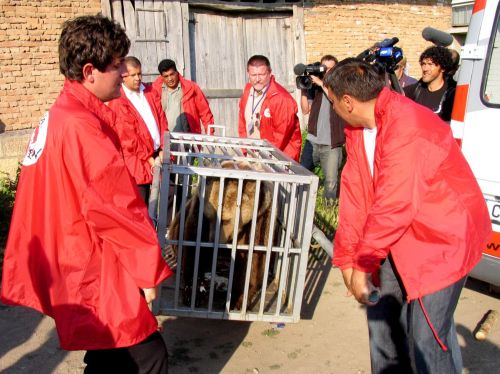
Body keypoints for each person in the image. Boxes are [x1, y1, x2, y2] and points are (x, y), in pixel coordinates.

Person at [0, 15, 172, 373]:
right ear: (90, 71)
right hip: (90, 259)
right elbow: (113, 206)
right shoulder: (80, 125)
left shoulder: (62, 114)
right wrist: (145, 270)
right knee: (146, 353)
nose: (125, 72)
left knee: (108, 351)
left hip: (73, 252)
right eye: (117, 65)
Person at [324, 58, 491, 374]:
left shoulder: (408, 125)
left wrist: (363, 263)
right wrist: (348, 257)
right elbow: (355, 193)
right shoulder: (359, 130)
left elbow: (394, 204)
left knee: (427, 339)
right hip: (395, 238)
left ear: (347, 101)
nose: (332, 109)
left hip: (442, 243)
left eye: (332, 102)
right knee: (383, 327)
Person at [108, 56, 168, 203]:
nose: (137, 78)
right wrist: (148, 158)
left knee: (163, 199)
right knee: (141, 203)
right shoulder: (119, 100)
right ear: (124, 76)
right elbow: (128, 137)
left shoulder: (149, 93)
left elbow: (162, 120)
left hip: (157, 155)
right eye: (133, 75)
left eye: (139, 74)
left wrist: (163, 148)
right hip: (137, 161)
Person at [238, 55, 302, 161]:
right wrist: (246, 150)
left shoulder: (281, 98)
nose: (257, 79)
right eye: (253, 75)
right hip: (254, 156)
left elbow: (281, 135)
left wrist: (265, 158)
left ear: (270, 72)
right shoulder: (247, 92)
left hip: (278, 159)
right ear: (248, 73)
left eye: (262, 74)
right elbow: (242, 123)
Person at [300, 54, 345, 203]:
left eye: (330, 69)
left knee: (331, 182)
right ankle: (301, 203)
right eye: (324, 68)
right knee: (302, 175)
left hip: (331, 144)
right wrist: (304, 90)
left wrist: (320, 83)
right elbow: (305, 110)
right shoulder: (317, 88)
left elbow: (335, 99)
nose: (326, 72)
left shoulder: (341, 87)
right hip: (312, 140)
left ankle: (329, 208)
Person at [152, 59, 214, 134]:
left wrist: (210, 135)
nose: (170, 79)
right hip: (165, 140)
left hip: (188, 139)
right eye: (166, 76)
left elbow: (205, 113)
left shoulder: (191, 88)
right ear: (162, 77)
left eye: (172, 74)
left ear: (177, 73)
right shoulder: (155, 91)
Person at [404, 46, 456, 121]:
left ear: (443, 68)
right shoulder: (415, 90)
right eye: (423, 64)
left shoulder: (451, 94)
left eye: (430, 64)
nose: (425, 69)